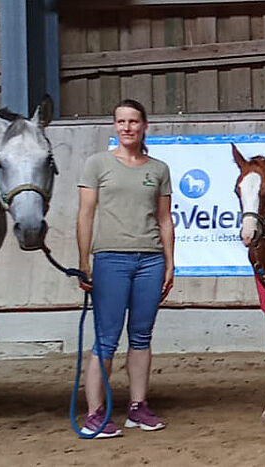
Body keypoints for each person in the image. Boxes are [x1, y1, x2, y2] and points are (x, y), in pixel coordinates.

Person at [76, 99, 175, 438]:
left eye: (133, 121)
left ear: (144, 125)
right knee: (105, 339)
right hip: (110, 260)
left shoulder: (158, 169)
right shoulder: (97, 164)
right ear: (114, 126)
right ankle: (95, 413)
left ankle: (137, 406)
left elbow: (164, 219)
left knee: (141, 337)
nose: (127, 127)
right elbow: (85, 214)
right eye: (121, 121)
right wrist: (83, 261)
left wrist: (170, 262)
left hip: (149, 260)